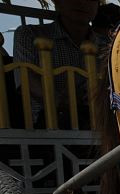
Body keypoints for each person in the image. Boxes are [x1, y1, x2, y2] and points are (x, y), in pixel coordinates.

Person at [13, 0, 102, 128]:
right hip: (48, 123)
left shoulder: (107, 45)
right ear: (57, 1)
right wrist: (62, 101)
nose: (82, 3)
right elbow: (26, 80)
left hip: (97, 119)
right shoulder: (30, 34)